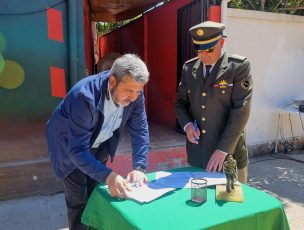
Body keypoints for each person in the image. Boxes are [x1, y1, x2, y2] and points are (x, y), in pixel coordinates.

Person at [46, 54, 150, 230]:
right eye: (129, 91)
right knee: (78, 201)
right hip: (69, 145)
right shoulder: (84, 96)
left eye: (138, 91)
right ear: (112, 81)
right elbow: (77, 150)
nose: (133, 98)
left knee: (97, 194)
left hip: (100, 141)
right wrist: (110, 176)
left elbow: (140, 129)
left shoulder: (136, 95)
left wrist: (139, 166)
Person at [175, 21, 252, 183]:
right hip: (197, 154)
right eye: (198, 49)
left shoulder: (237, 67)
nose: (203, 55)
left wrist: (223, 150)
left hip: (229, 155)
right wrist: (187, 126)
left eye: (209, 49)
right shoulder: (189, 69)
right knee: (198, 202)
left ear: (222, 42)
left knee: (232, 205)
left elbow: (240, 111)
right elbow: (180, 103)